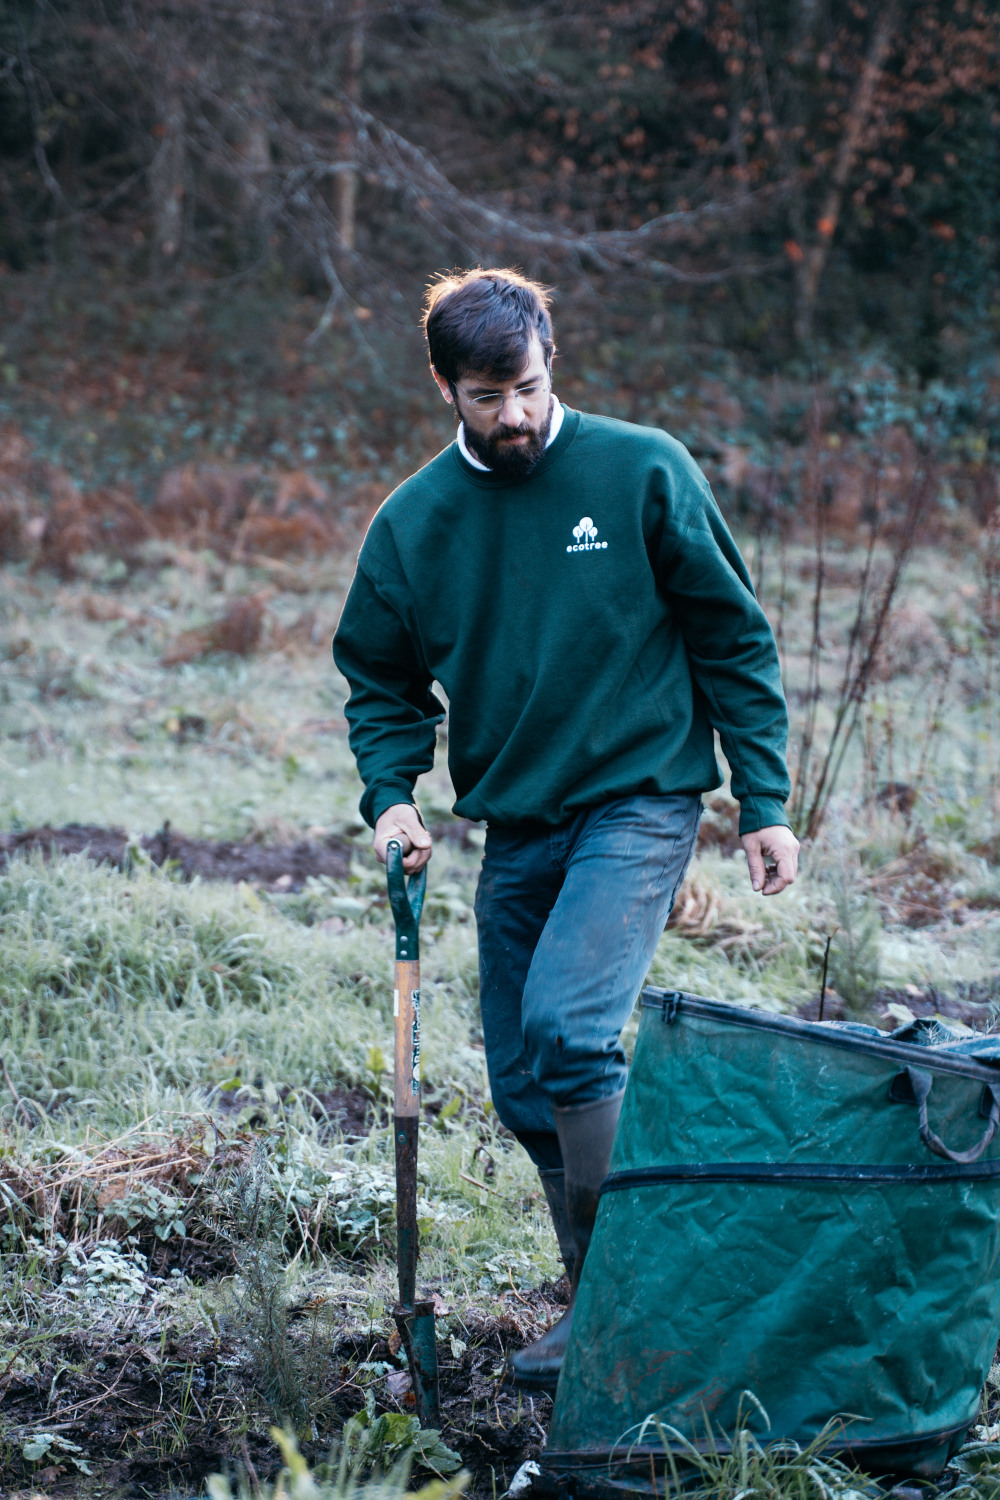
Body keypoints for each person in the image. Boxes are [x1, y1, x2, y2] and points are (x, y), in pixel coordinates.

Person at [332, 268, 799, 1388]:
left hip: (640, 801)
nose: (518, 417)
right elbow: (379, 680)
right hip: (518, 822)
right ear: (445, 386)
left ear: (553, 363)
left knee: (572, 1030)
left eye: (532, 389)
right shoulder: (413, 525)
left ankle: (629, 1323)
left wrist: (764, 802)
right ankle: (603, 1298)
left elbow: (732, 637)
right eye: (489, 397)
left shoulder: (641, 468)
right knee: (520, 1081)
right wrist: (390, 791)